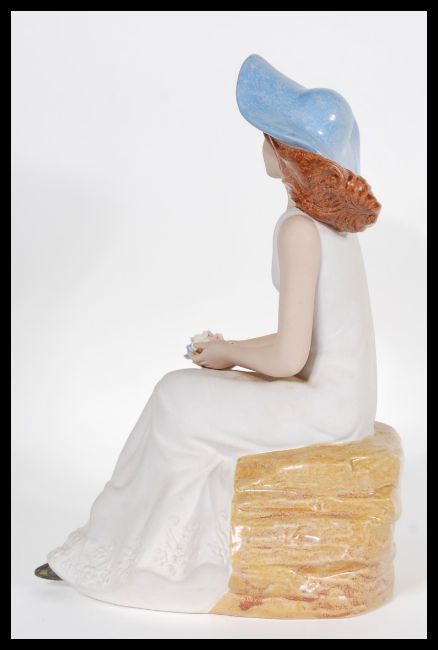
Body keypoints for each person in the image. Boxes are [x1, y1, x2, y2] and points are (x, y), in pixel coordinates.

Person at [34, 54, 381, 614]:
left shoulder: (300, 230)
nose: (262, 144)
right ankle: (110, 543)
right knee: (179, 395)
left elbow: (290, 357)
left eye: (268, 136)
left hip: (326, 408)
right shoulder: (329, 227)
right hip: (339, 399)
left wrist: (227, 352)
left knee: (177, 399)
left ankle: (148, 559)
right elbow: (307, 346)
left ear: (287, 154)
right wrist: (231, 354)